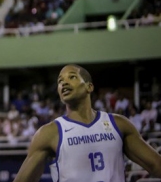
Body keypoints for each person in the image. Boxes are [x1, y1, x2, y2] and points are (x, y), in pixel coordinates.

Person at [14, 64, 161, 182]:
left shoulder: (119, 124)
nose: (64, 82)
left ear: (89, 87)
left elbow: (155, 165)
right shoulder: (49, 133)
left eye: (72, 77)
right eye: (60, 81)